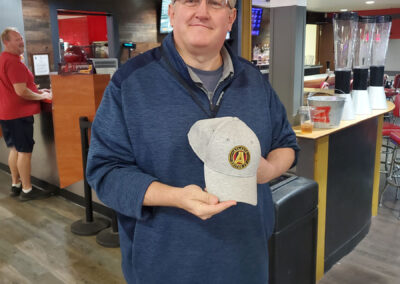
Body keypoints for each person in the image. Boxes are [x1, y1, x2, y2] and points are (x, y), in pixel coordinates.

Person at [86, 0, 299, 283]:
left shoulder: (254, 81)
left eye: (214, 3)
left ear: (231, 17)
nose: (202, 11)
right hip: (165, 266)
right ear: (172, 12)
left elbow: (286, 143)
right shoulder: (130, 83)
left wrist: (270, 170)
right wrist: (175, 197)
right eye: (190, 1)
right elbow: (105, 172)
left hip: (246, 260)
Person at [0, 27, 52, 201]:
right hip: (18, 114)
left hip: (7, 113)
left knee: (15, 149)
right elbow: (21, 91)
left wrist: (36, 89)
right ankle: (27, 190)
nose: (21, 41)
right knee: (24, 152)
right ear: (6, 42)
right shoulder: (14, 62)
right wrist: (42, 95)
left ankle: (16, 184)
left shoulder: (3, 59)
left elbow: (17, 87)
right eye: (16, 39)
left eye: (21, 38)